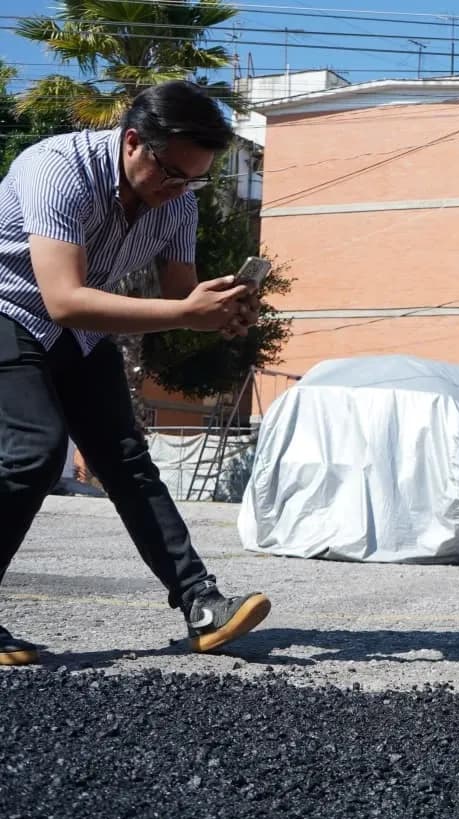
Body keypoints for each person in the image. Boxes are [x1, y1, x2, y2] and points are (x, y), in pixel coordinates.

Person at [0, 81, 271, 667]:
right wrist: (184, 312)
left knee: (125, 458)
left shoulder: (177, 200)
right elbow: (63, 300)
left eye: (193, 179)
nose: (178, 189)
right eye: (172, 173)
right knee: (34, 453)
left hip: (80, 331)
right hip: (10, 311)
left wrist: (219, 311)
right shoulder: (55, 170)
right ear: (133, 144)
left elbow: (179, 294)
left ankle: (202, 603)